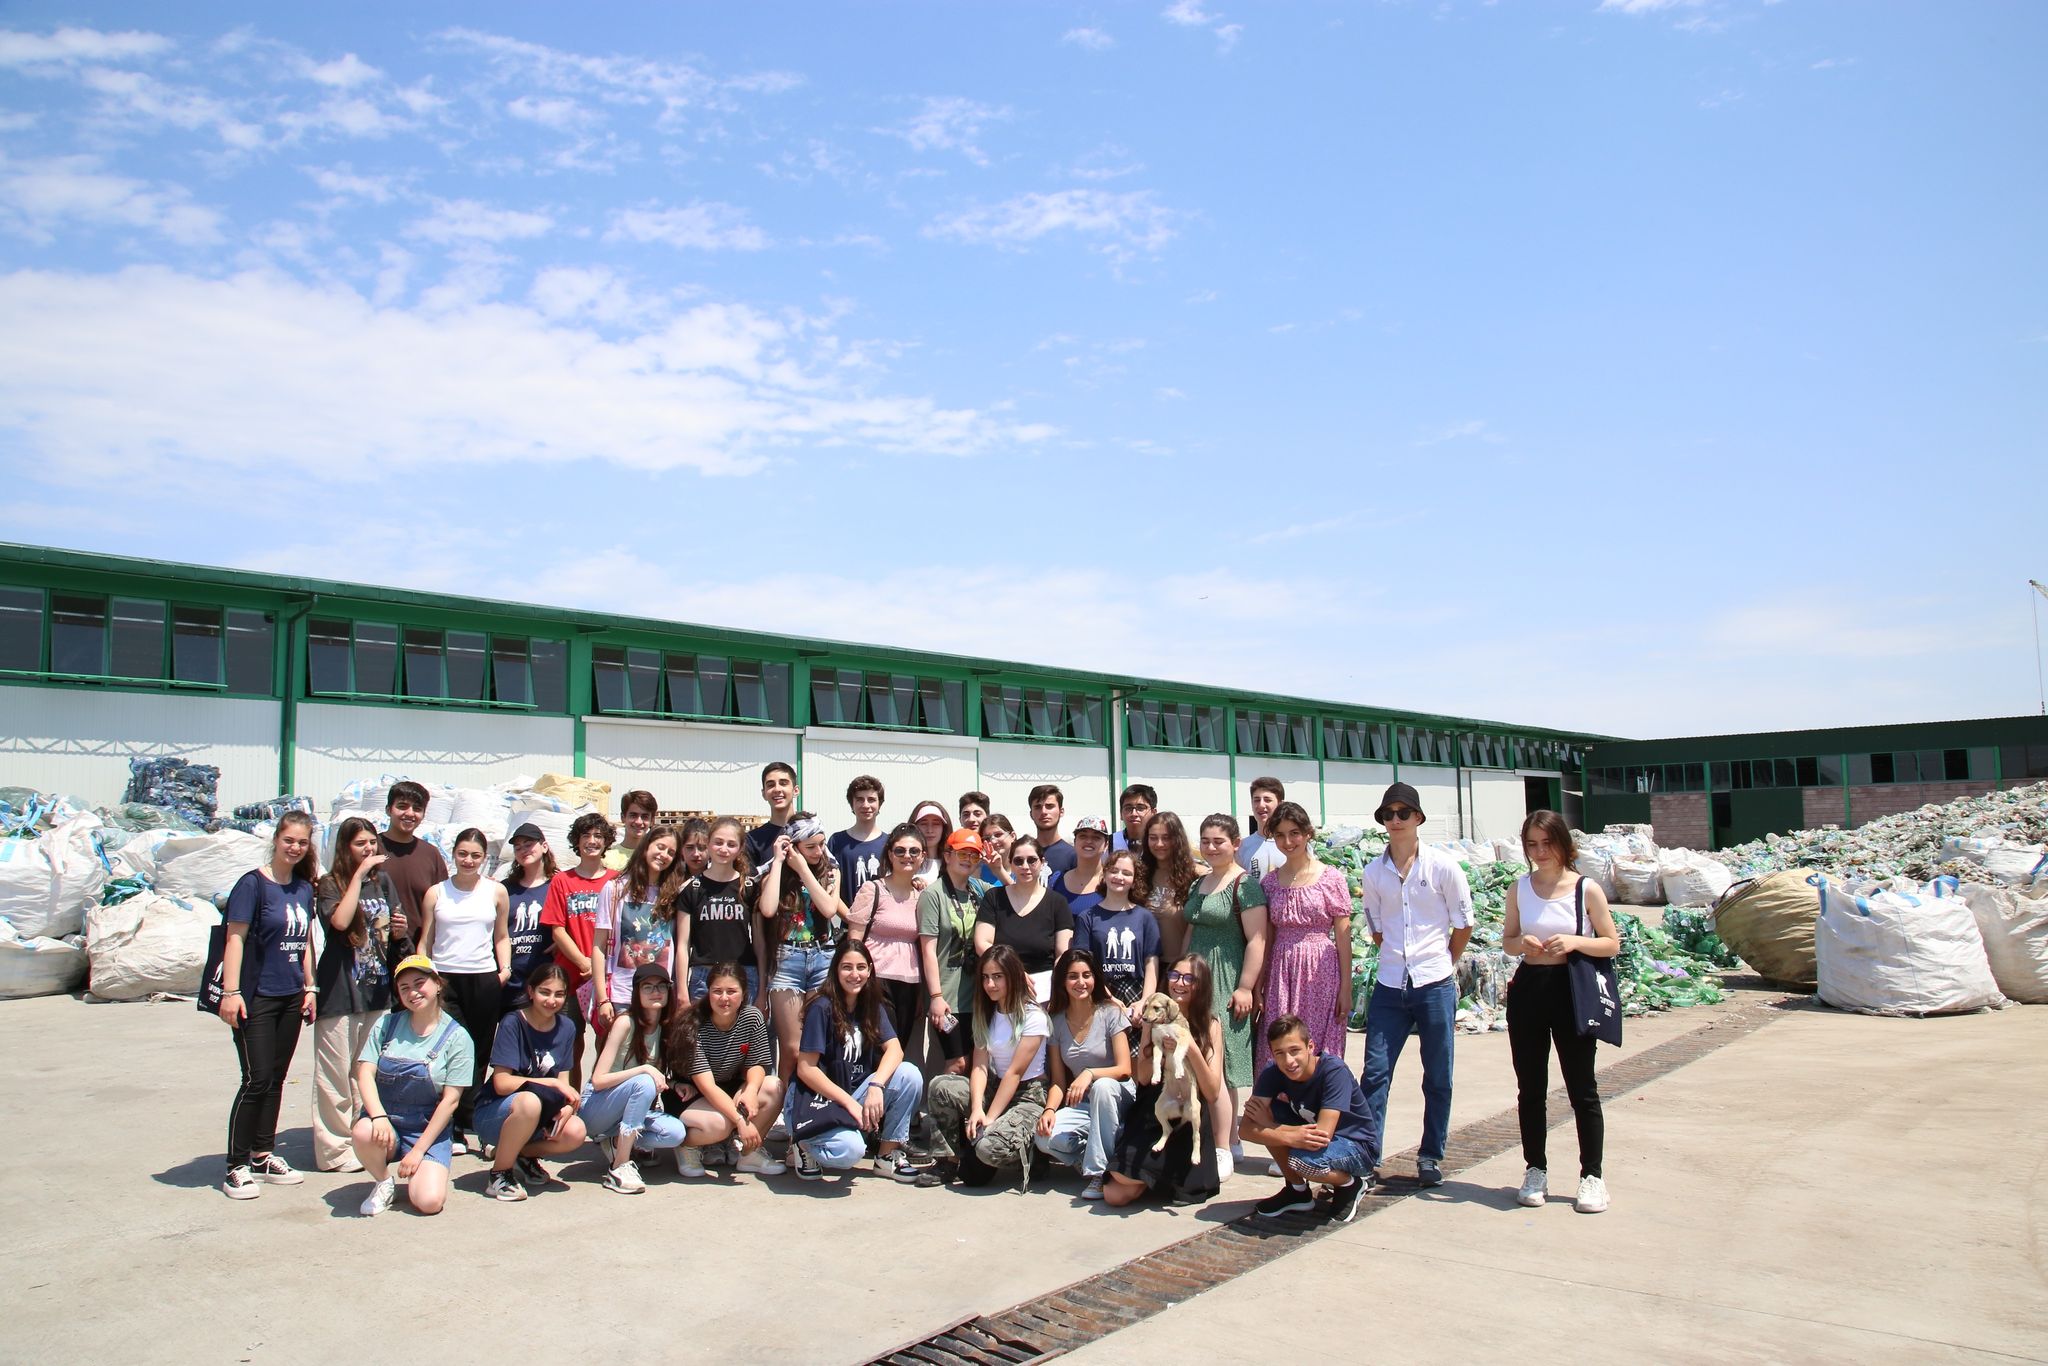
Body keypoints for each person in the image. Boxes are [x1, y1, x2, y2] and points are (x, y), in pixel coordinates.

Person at [1502, 809, 1618, 1214]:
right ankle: (1535, 1169)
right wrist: (1523, 943)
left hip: (1572, 989)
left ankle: (1592, 1176)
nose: (1540, 852)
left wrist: (1573, 941)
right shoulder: (1519, 888)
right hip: (1530, 989)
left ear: (1563, 844)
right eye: (1532, 844)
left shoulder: (1585, 889)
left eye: (1547, 843)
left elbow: (1610, 942)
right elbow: (1508, 941)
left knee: (1581, 1087)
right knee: (1531, 1087)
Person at [1356, 783, 1470, 1188]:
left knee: (1438, 1075)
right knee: (1375, 1073)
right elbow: (1376, 928)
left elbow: (1463, 924)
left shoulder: (1443, 867)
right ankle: (1367, 1155)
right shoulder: (1374, 872)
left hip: (1434, 983)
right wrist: (1397, 957)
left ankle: (1430, 1155)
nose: (1396, 820)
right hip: (1390, 984)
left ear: (1418, 818)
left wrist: (1443, 961)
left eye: (1403, 813)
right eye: (1389, 814)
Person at [218, 813, 320, 1200]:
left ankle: (262, 1154)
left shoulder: (303, 889)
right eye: (289, 840)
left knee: (276, 1078)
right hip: (256, 996)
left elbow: (305, 941)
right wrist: (231, 992)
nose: (295, 848)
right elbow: (235, 939)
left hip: (291, 995)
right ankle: (236, 1164)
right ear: (276, 839)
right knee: (256, 1079)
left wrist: (310, 987)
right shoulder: (253, 884)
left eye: (302, 842)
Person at [784, 940, 927, 1183]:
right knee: (850, 1151)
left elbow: (895, 1050)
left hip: (855, 1094)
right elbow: (806, 1069)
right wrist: (850, 1104)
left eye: (861, 967)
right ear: (835, 970)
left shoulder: (871, 1005)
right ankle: (804, 1144)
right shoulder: (821, 1007)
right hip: (817, 1099)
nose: (854, 974)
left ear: (870, 970)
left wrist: (876, 1086)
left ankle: (886, 1155)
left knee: (909, 1074)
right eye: (847, 967)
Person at [311, 816, 403, 1172]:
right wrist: (358, 876)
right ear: (345, 848)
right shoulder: (330, 884)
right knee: (335, 1073)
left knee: (366, 1071)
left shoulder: (384, 882)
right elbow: (339, 921)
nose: (368, 849)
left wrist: (400, 929)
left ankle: (360, 1138)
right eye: (360, 843)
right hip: (340, 991)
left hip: (376, 990)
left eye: (371, 842)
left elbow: (393, 932)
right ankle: (333, 1150)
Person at [351, 955, 474, 1216]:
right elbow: (364, 1073)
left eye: (420, 983)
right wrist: (378, 1116)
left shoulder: (458, 1037)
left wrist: (418, 1151)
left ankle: (424, 1167)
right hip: (386, 1123)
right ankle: (383, 1181)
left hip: (427, 1129)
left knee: (429, 1202)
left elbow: (451, 1101)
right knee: (363, 1131)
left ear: (438, 984)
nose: (413, 992)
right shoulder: (387, 1024)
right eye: (404, 987)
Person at [416, 826, 511, 1153]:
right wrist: (425, 974)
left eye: (475, 855)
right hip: (445, 979)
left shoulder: (496, 892)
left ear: (484, 858)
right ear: (453, 854)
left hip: (483, 978)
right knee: (448, 1049)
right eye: (462, 854)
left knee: (479, 1051)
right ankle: (450, 1124)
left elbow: (501, 936)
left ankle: (475, 1119)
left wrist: (504, 970)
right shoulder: (437, 893)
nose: (468, 860)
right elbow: (426, 939)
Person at [1102, 954, 1223, 1208]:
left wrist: (1190, 1047)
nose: (1179, 982)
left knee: (1124, 1186)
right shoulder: (1153, 1016)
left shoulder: (1211, 1025)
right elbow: (1144, 1077)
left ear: (1201, 985)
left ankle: (1156, 1176)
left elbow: (1212, 1093)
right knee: (1113, 1195)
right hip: (1155, 1109)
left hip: (1187, 1115)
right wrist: (1162, 1053)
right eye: (1174, 975)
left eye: (1189, 978)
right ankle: (1151, 1177)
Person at [1187, 814, 1271, 1173]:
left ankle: (1230, 1142)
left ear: (1236, 843)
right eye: (1205, 841)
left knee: (1223, 1063)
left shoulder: (1245, 885)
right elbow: (1191, 930)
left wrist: (1246, 987)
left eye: (1218, 841)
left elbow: (1257, 939)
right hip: (1195, 979)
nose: (1210, 847)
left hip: (1226, 977)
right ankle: (1213, 1137)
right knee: (1199, 1058)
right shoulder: (1199, 883)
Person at [927, 945, 1049, 1187]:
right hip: (995, 1088)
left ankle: (1033, 1153)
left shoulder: (1033, 1016)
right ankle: (947, 1162)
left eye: (998, 977)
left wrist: (990, 1118)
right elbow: (979, 1067)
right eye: (985, 977)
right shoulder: (986, 1013)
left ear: (1013, 976)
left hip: (1027, 1096)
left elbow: (1015, 1073)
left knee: (987, 1148)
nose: (990, 984)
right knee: (941, 1086)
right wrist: (976, 1110)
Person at [1241, 1014, 1380, 1224]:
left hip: (1358, 1146)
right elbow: (1245, 1130)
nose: (1289, 1061)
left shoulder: (1334, 1071)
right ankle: (1297, 1191)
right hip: (1315, 1136)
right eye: (1280, 1053)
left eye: (1294, 1050)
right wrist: (1287, 1134)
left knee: (1301, 1161)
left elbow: (1322, 1136)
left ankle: (1351, 1184)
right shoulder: (1272, 1071)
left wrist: (1273, 1128)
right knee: (1268, 1116)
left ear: (1310, 1047)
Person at [472, 962, 589, 1201]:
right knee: (529, 1102)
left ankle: (520, 1154)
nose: (551, 1000)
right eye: (545, 992)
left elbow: (564, 1083)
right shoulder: (513, 1022)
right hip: (496, 1113)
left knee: (576, 1131)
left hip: (538, 1113)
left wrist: (567, 1108)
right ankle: (499, 1174)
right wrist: (552, 1084)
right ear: (531, 991)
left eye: (559, 994)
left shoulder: (566, 1027)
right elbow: (501, 1083)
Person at [1256, 802, 1352, 1082]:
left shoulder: (1331, 878)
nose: (1288, 842)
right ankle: (1279, 1102)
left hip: (1321, 971)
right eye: (1280, 835)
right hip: (1281, 971)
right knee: (1280, 1038)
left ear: (1308, 833)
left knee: (1316, 1040)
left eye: (1294, 833)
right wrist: (1259, 984)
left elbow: (1343, 937)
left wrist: (1346, 988)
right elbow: (1267, 937)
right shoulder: (1270, 882)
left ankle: (1322, 1101)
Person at [669, 961, 786, 1177]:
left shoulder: (752, 1017)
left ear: (743, 993)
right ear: (708, 992)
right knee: (720, 1125)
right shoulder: (693, 1025)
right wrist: (740, 1121)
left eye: (731, 991)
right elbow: (707, 1086)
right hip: (691, 1093)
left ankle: (749, 1153)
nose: (724, 998)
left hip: (729, 1085)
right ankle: (687, 1145)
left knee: (773, 1086)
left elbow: (758, 1063)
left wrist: (751, 1091)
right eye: (717, 991)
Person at [1033, 948, 1134, 1199]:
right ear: (1062, 982)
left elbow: (1125, 1069)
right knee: (1044, 1138)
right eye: (1073, 976)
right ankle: (1090, 1156)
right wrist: (1049, 1110)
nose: (1081, 982)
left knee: (1102, 1086)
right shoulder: (1056, 1021)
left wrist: (1089, 1073)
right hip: (1085, 1105)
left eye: (1087, 975)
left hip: (1117, 1096)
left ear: (1095, 978)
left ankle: (1099, 1173)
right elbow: (1058, 1082)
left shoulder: (1110, 1013)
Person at [582, 964, 690, 1193]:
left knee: (675, 1133)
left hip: (631, 1109)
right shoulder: (625, 1022)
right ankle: (619, 1166)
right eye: (648, 987)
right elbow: (599, 1080)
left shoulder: (665, 1028)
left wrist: (673, 1084)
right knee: (644, 1081)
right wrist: (645, 1070)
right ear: (636, 992)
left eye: (661, 986)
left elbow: (654, 1075)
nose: (655, 992)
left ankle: (616, 1141)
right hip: (597, 1106)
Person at [759, 813, 844, 1082]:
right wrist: (780, 862)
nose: (819, 851)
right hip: (787, 959)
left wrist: (804, 870)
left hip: (822, 956)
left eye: (821, 844)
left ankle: (809, 1101)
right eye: (811, 847)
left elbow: (829, 909)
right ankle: (783, 1100)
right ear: (793, 847)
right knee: (792, 1049)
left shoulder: (831, 871)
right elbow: (768, 909)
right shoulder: (775, 873)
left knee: (815, 1045)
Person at [539, 811, 616, 1085]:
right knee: (570, 1043)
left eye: (598, 836)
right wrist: (585, 963)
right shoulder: (562, 881)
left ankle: (599, 1098)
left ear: (606, 842)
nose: (592, 841)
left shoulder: (617, 880)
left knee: (607, 1042)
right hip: (570, 975)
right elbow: (557, 929)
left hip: (607, 978)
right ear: (577, 841)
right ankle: (571, 1099)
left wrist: (597, 968)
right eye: (586, 836)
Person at [590, 825, 684, 1033]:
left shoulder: (675, 894)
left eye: (671, 852)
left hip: (660, 995)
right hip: (621, 994)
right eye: (660, 847)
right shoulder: (615, 889)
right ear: (646, 846)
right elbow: (598, 947)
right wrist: (602, 998)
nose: (664, 855)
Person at [846, 822, 927, 1057]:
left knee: (899, 1049)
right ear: (890, 854)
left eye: (914, 851)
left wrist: (921, 993)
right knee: (877, 1051)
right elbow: (854, 942)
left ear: (923, 856)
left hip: (910, 984)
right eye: (900, 850)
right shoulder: (872, 889)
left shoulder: (923, 895)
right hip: (875, 981)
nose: (907, 856)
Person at [919, 830, 990, 1082]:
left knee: (977, 1061)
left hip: (978, 996)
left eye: (974, 855)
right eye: (962, 853)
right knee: (958, 1062)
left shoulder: (980, 890)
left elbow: (1014, 895)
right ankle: (945, 1107)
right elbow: (928, 951)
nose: (968, 859)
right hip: (948, 998)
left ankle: (969, 1107)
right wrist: (935, 997)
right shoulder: (933, 895)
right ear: (947, 855)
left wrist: (998, 868)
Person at [973, 836, 1074, 1003]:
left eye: (1032, 860)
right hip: (1000, 991)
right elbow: (981, 944)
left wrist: (1056, 990)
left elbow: (1063, 953)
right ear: (1011, 864)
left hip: (1043, 993)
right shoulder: (994, 897)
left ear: (1042, 862)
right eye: (1018, 861)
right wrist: (1015, 973)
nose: (1025, 866)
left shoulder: (1057, 902)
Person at [679, 816, 766, 1006]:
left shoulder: (749, 888)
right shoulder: (692, 889)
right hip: (703, 976)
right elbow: (683, 945)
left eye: (731, 844)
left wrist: (762, 991)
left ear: (740, 848)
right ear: (708, 844)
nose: (724, 849)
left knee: (745, 1027)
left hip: (744, 974)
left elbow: (759, 943)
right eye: (718, 842)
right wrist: (682, 991)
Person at [1074, 848, 1159, 1012]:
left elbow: (1151, 963)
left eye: (1126, 873)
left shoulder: (1145, 917)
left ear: (1134, 880)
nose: (1119, 877)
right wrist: (1108, 997)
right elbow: (1083, 963)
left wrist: (1145, 1001)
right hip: (1100, 992)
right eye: (1114, 871)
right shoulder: (1087, 917)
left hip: (1137, 994)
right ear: (1105, 875)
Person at [377, 779, 447, 944]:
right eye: (402, 806)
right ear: (388, 809)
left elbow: (445, 901)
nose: (410, 813)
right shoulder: (372, 849)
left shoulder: (430, 854)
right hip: (375, 950)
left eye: (417, 809)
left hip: (416, 950)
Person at [499, 822, 558, 1015]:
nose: (523, 850)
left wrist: (562, 941)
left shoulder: (557, 885)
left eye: (528, 844)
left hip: (545, 981)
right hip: (511, 980)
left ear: (544, 846)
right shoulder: (505, 888)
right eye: (518, 847)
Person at [1135, 811, 1201, 962]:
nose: (1159, 844)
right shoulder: (1138, 873)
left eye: (1166, 838)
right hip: (1144, 965)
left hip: (1180, 966)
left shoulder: (1196, 875)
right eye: (1153, 838)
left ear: (1177, 839)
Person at [828, 775, 888, 900]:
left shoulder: (890, 843)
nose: (866, 805)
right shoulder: (837, 841)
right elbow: (829, 884)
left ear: (880, 804)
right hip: (845, 912)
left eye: (871, 799)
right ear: (852, 804)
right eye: (860, 799)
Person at [1050, 814, 1109, 920]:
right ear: (1075, 842)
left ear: (1106, 845)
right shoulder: (1057, 881)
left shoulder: (1114, 881)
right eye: (1083, 836)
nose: (1089, 841)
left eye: (1096, 837)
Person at [744, 761, 799, 871]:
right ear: (764, 793)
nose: (777, 789)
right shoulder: (752, 840)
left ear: (795, 791)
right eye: (771, 785)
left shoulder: (810, 830)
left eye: (783, 783)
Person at [1237, 777, 1287, 878]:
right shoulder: (1242, 847)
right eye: (1256, 800)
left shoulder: (1294, 845)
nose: (1261, 805)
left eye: (1267, 800)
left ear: (1280, 804)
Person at [604, 789, 661, 873]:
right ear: (623, 817)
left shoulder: (657, 857)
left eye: (644, 816)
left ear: (652, 820)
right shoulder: (606, 858)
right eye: (633, 815)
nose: (639, 822)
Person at [1028, 784, 1076, 883]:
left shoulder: (1073, 855)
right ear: (1031, 814)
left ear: (1061, 811)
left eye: (1049, 806)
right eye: (1037, 807)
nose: (1043, 812)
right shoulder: (1024, 854)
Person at [906, 800, 952, 882]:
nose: (930, 830)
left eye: (936, 824)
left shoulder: (953, 863)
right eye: (923, 824)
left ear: (944, 828)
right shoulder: (904, 861)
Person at [976, 814, 1017, 888]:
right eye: (987, 838)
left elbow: (1020, 893)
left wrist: (999, 870)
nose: (993, 841)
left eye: (998, 835)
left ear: (1012, 836)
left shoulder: (1024, 865)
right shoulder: (978, 869)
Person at [1113, 783, 1157, 853]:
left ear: (1153, 813)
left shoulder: (1161, 844)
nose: (1134, 814)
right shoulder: (1108, 844)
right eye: (1128, 808)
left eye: (1140, 808)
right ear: (1121, 813)